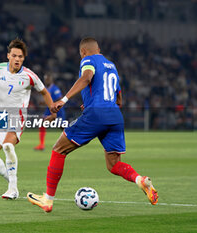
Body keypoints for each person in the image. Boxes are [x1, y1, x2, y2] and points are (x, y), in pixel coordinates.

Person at [27, 37, 158, 212]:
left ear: (83, 52)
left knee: (59, 149)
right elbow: (119, 99)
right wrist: (93, 102)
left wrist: (64, 100)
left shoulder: (88, 60)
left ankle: (48, 200)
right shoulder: (111, 66)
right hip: (115, 116)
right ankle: (140, 180)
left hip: (96, 114)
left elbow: (87, 78)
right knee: (113, 165)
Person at [0, 38, 55, 199]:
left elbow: (44, 91)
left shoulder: (29, 76)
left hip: (18, 116)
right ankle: (12, 180)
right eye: (14, 55)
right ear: (8, 55)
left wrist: (52, 110)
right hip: (0, 116)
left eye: (20, 57)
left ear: (24, 58)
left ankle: (13, 189)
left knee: (8, 145)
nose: (17, 59)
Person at [34, 74, 65, 151]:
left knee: (62, 127)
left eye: (48, 79)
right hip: (49, 111)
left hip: (58, 111)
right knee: (42, 124)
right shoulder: (46, 89)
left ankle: (71, 139)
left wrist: (50, 104)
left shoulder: (55, 89)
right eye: (45, 79)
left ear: (51, 80)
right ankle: (41, 145)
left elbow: (60, 98)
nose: (46, 80)